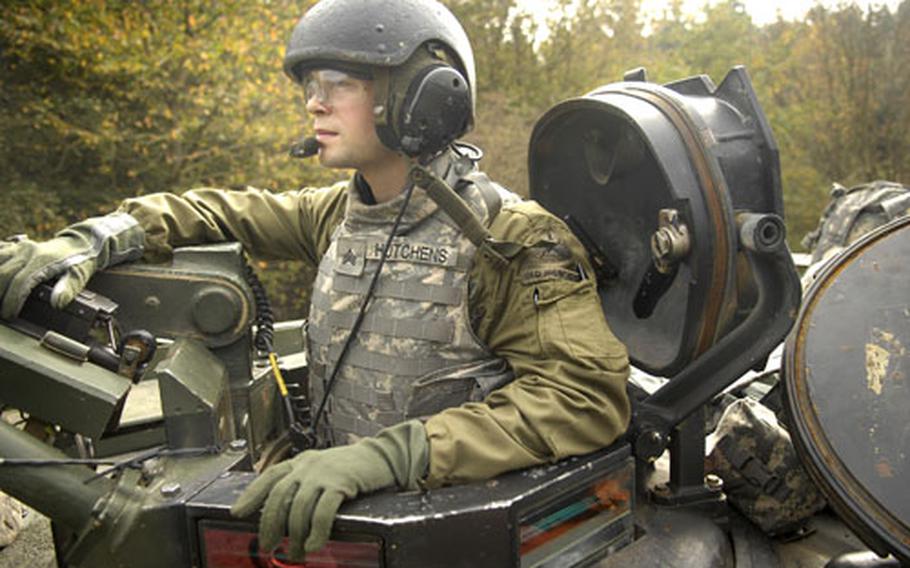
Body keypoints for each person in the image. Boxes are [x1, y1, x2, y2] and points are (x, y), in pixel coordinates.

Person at [0, 0, 630, 561]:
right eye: (309, 85)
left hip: (445, 534)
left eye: (338, 83)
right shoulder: (340, 214)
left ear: (420, 97)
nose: (313, 103)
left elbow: (586, 400)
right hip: (335, 523)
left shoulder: (511, 238)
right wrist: (97, 234)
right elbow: (217, 210)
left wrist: (391, 455)